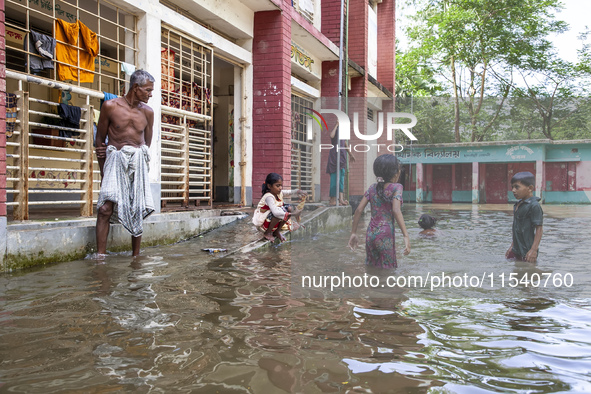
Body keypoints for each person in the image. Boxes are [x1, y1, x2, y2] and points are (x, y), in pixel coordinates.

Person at [95, 70, 156, 257]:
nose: (150, 94)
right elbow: (99, 141)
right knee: (105, 208)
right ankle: (100, 256)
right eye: (148, 90)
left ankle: (135, 256)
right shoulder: (110, 106)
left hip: (136, 162)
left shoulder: (148, 112)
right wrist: (103, 171)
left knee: (137, 208)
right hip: (115, 160)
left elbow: (146, 144)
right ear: (135, 88)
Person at [348, 154, 410, 268]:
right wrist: (406, 236)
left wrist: (353, 233)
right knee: (389, 270)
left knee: (371, 267)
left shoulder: (372, 188)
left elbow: (358, 210)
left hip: (370, 234)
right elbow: (396, 210)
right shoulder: (397, 187)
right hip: (385, 234)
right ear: (396, 173)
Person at [252, 173, 307, 242]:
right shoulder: (268, 197)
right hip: (262, 223)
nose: (280, 188)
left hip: (271, 219)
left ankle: (277, 231)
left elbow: (288, 192)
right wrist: (293, 214)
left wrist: (298, 191)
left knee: (289, 208)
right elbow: (276, 213)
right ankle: (268, 233)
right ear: (269, 186)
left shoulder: (279, 193)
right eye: (277, 186)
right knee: (280, 211)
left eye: (281, 185)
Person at [505, 171, 543, 263]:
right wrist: (512, 246)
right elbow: (517, 228)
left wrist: (533, 250)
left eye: (517, 187)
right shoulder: (518, 205)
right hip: (516, 249)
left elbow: (539, 229)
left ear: (530, 188)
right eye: (512, 187)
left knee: (529, 272)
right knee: (515, 272)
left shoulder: (534, 206)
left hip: (527, 251)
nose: (513, 190)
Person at [326, 124, 355, 206]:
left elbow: (344, 142)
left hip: (342, 158)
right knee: (334, 179)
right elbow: (331, 136)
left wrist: (350, 154)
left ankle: (341, 199)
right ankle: (332, 200)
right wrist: (336, 124)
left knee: (341, 179)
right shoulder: (336, 129)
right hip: (335, 157)